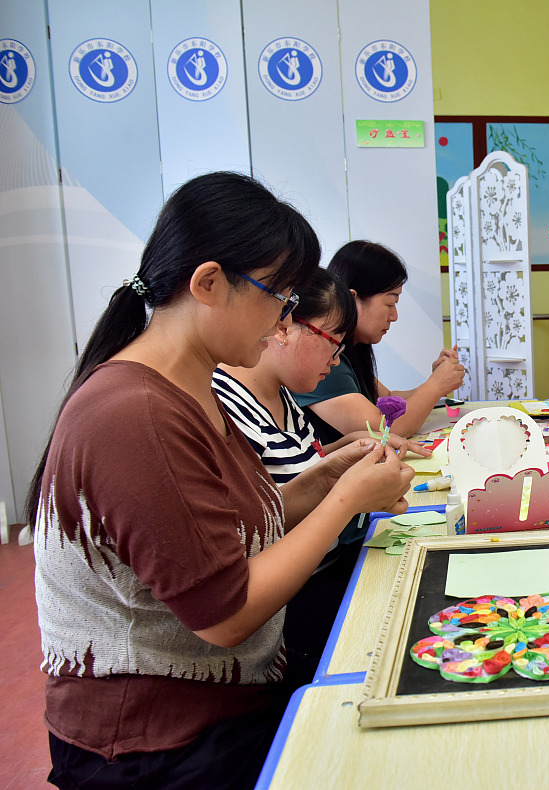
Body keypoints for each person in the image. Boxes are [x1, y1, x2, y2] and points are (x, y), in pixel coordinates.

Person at [30, 172, 414, 789]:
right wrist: (344, 502)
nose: (285, 320)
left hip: (228, 709)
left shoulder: (198, 386)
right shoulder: (136, 414)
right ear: (208, 283)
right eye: (280, 298)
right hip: (158, 747)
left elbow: (233, 527)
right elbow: (225, 611)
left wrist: (323, 479)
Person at [211, 268, 428, 691]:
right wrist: (347, 494)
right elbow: (255, 533)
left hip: (316, 578)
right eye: (333, 344)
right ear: (285, 327)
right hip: (285, 611)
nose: (336, 359)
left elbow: (291, 481)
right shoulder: (221, 403)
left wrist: (341, 456)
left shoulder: (284, 396)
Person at [293, 240, 465, 443]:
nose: (394, 316)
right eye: (390, 303)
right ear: (353, 299)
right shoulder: (324, 361)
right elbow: (385, 431)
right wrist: (435, 386)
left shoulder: (349, 352)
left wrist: (437, 382)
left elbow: (389, 398)